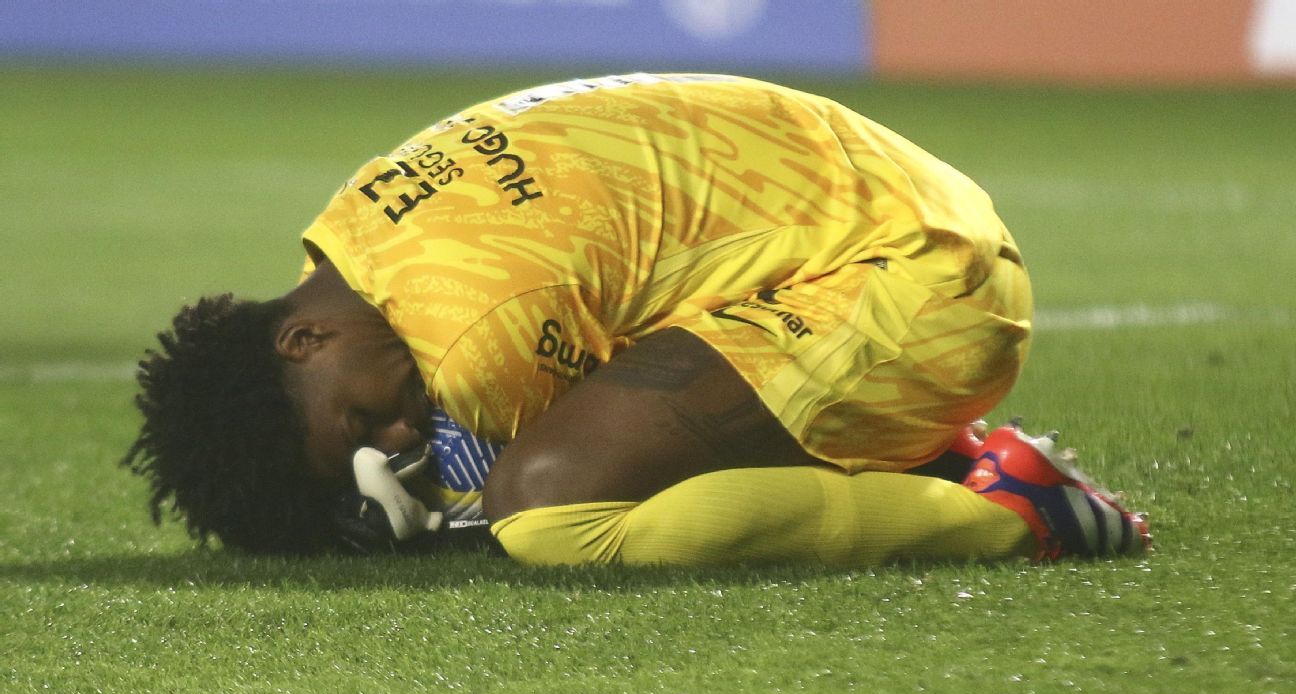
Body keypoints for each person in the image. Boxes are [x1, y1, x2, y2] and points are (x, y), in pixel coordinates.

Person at [123, 73, 1149, 565]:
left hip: (921, 284)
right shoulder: (355, 223)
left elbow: (518, 481)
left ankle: (1012, 515)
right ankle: (928, 451)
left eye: (360, 428)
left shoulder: (472, 338)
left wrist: (431, 515)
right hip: (881, 213)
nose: (399, 438)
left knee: (555, 512)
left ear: (301, 341)